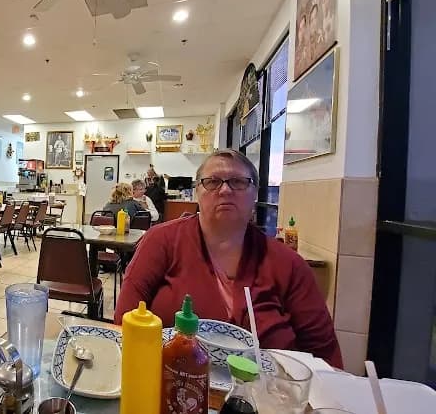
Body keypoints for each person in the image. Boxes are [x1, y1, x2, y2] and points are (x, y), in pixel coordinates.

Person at [113, 149, 342, 367]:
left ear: (255, 194)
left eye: (238, 182)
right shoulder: (161, 241)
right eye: (212, 182)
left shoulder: (288, 264)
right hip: (169, 384)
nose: (225, 190)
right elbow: (124, 322)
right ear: (196, 192)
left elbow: (324, 355)